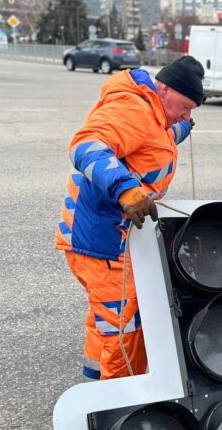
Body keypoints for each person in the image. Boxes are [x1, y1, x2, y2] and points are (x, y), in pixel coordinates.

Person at [56, 56, 205, 380]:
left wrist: (183, 127)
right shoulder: (135, 108)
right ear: (163, 89)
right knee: (124, 331)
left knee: (107, 320)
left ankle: (95, 389)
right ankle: (123, 406)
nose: (186, 113)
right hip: (103, 242)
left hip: (108, 241)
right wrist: (126, 188)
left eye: (192, 110)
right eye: (184, 106)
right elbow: (85, 146)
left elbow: (157, 137)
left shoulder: (157, 115)